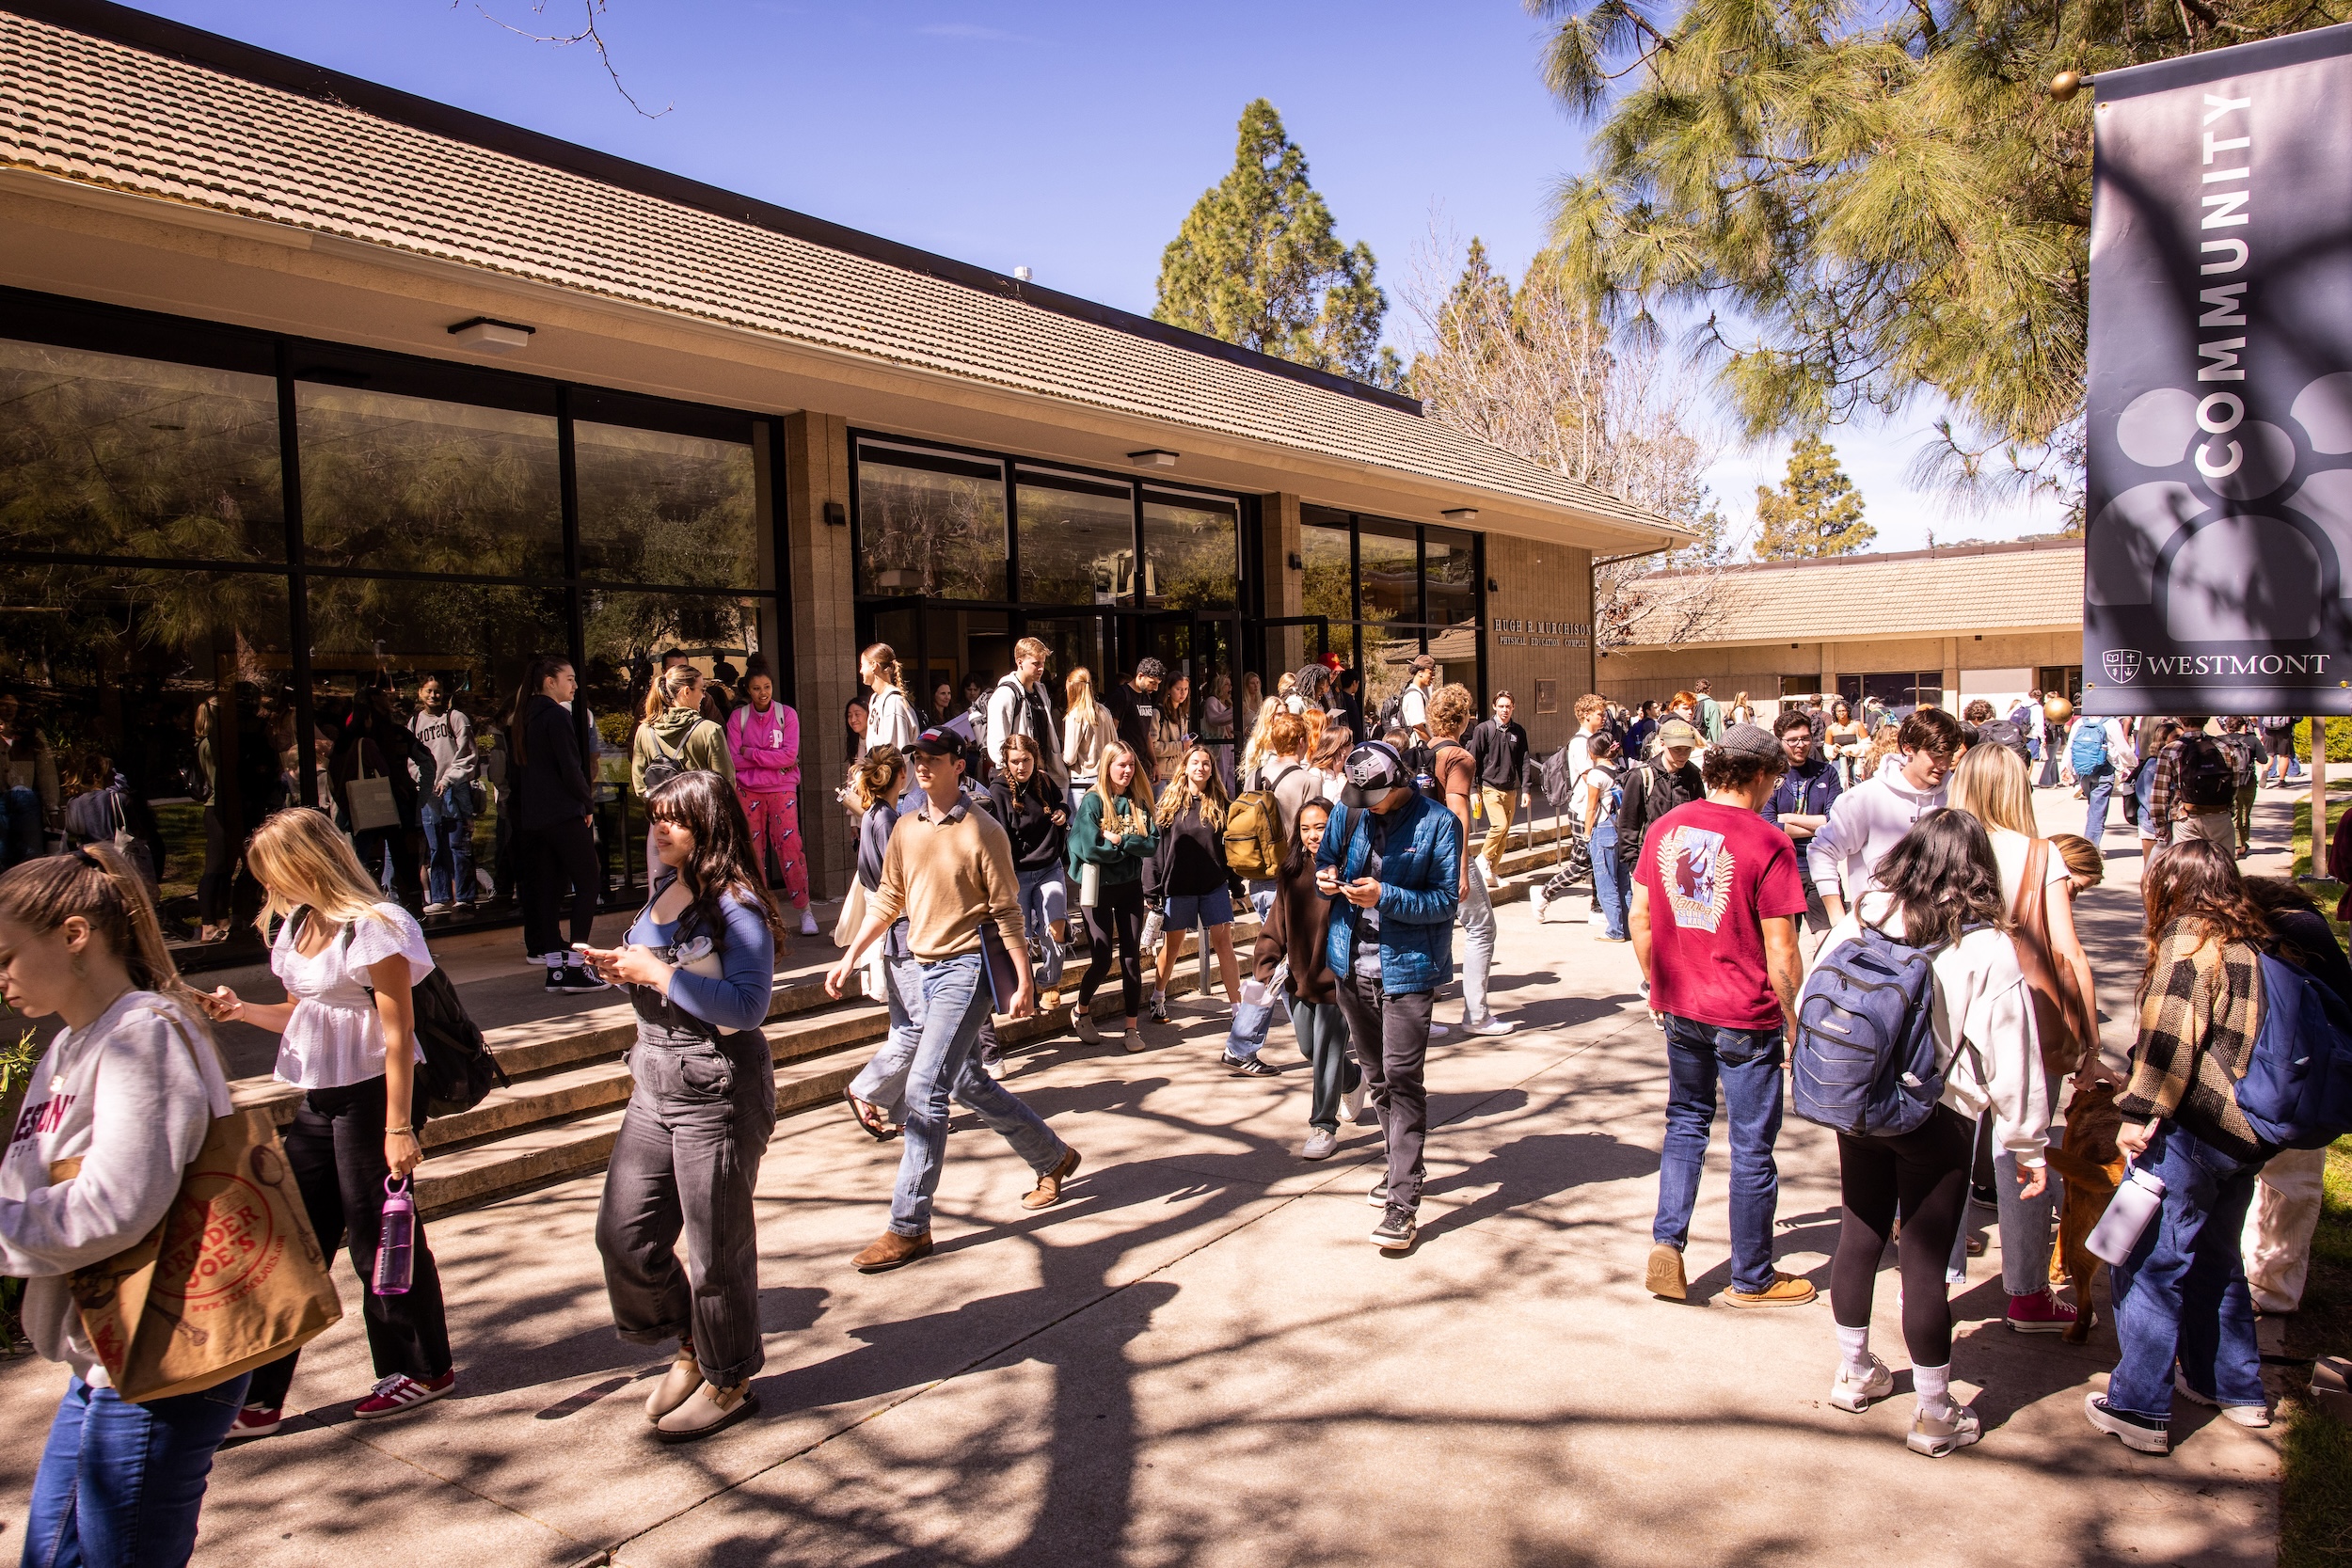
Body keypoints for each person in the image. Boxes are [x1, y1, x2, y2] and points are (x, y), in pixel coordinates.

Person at [0, 846, 246, 1564]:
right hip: (104, 1359)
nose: (2, 974)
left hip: (161, 1361)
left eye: (9, 953)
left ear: (75, 934)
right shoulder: (70, 1044)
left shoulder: (143, 1033)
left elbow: (116, 1205)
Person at [201, 809, 456, 1437]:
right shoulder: (297, 925)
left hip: (374, 1094)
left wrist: (400, 1127)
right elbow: (300, 1012)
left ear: (305, 860)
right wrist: (239, 1012)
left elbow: (398, 1034)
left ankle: (421, 1368)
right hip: (320, 1095)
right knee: (291, 1240)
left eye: (273, 870)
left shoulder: (374, 926)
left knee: (380, 1235)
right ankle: (259, 1395)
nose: (270, 885)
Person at [1815, 810, 2050, 1458]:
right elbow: (2015, 1056)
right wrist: (2028, 1145)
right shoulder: (1986, 945)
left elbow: (1819, 987)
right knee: (1923, 1262)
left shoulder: (1863, 914)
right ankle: (1935, 1410)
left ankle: (1854, 1370)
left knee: (1858, 1232)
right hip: (1937, 1113)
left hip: (1860, 1099)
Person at [827, 727, 1082, 1272]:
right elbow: (890, 898)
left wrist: (1024, 978)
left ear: (957, 766)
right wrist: (851, 956)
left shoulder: (983, 829)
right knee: (966, 1079)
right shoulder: (904, 827)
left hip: (967, 968)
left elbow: (1008, 910)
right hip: (920, 967)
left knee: (924, 1088)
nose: (921, 766)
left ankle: (909, 1226)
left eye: (933, 759)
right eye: (917, 758)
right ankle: (1053, 1157)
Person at [579, 771, 782, 1441]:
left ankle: (729, 1379)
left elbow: (749, 1007)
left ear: (709, 823)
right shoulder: (666, 883)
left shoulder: (737, 904)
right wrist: (621, 965)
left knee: (716, 1250)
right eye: (655, 817)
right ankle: (693, 1341)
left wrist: (659, 974)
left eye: (675, 819)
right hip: (655, 1080)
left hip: (717, 1087)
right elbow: (656, 966)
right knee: (624, 1234)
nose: (659, 829)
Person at [2088, 840, 2273, 1454]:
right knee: (2219, 1262)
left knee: (2149, 1265)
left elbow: (2171, 1040)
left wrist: (2138, 1113)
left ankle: (2139, 1407)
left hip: (2190, 1130)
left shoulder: (2189, 939)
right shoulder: (2252, 938)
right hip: (2244, 1134)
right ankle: (2234, 1386)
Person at [1633, 723, 1815, 1308]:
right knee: (1751, 1146)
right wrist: (1794, 1020)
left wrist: (1656, 981)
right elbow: (1782, 947)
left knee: (1685, 1123)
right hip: (1745, 1010)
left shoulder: (1666, 827)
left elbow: (1639, 917)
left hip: (1681, 1005)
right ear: (1760, 776)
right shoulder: (1768, 841)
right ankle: (1752, 1275)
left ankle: (1668, 1241)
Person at [1947, 742, 2096, 1333]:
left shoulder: (1939, 845)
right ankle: (2027, 1292)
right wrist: (2089, 1037)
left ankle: (1932, 1280)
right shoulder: (2039, 856)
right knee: (2022, 1148)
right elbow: (2067, 950)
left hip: (1950, 1012)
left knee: (1947, 1147)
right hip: (2027, 1016)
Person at [1317, 740, 1461, 1252]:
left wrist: (1385, 895)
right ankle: (1404, 1163)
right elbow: (1325, 858)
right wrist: (1328, 878)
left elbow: (1446, 900)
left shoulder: (1439, 824)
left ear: (1397, 784)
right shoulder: (1348, 811)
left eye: (1373, 797)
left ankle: (1402, 1201)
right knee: (1377, 1078)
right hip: (1351, 962)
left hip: (1409, 970)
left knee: (1402, 1078)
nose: (1364, 805)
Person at [2238, 877, 2347, 1318]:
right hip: (2287, 1068)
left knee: (2286, 1178)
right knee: (2284, 1182)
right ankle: (2267, 1283)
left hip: (2294, 1071)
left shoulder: (2296, 930)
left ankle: (2269, 1285)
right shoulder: (2301, 926)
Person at [1250, 799, 1359, 1157]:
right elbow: (1277, 921)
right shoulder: (1293, 871)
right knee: (1310, 1048)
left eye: (1322, 826)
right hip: (1300, 978)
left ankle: (1323, 1126)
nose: (1314, 835)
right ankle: (1353, 1079)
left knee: (1327, 1046)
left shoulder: (1351, 869)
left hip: (1339, 977)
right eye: (1306, 828)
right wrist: (1266, 960)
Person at [508, 657, 607, 994]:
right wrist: (587, 804)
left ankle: (556, 967)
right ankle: (578, 965)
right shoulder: (555, 716)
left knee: (548, 890)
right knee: (589, 882)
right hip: (562, 814)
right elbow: (570, 768)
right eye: (569, 679)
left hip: (535, 818)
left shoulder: (525, 717)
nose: (574, 686)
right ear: (550, 682)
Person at [1810, 706, 1963, 924]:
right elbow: (1822, 851)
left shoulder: (1959, 795)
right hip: (1879, 933)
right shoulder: (1865, 797)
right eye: (1936, 755)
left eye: (1949, 756)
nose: (1943, 765)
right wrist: (1838, 919)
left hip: (1944, 928)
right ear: (1908, 748)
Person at [1066, 741, 1158, 1053]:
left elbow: (1152, 845)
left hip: (1130, 886)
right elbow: (1089, 848)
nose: (1128, 771)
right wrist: (1128, 845)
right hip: (1097, 886)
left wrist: (1118, 839)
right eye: (1122, 765)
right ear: (1107, 767)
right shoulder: (1093, 802)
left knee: (1132, 958)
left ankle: (1131, 1028)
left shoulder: (1139, 801)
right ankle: (1081, 1010)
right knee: (1102, 958)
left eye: (1132, 765)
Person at [841, 746, 914, 1140]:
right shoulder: (887, 819)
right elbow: (895, 882)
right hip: (900, 928)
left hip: (889, 929)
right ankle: (866, 1088)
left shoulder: (873, 815)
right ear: (899, 776)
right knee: (919, 1027)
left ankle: (906, 1112)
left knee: (904, 1027)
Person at [1428, 684, 1509, 1036]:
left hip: (1421, 852)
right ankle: (1476, 1014)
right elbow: (1457, 812)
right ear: (1462, 718)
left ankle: (1419, 1017)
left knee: (1430, 930)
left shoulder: (1424, 750)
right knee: (1481, 927)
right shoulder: (1459, 757)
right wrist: (1462, 867)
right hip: (1447, 854)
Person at [1149, 743, 1242, 1027]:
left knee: (1224, 943)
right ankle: (1158, 996)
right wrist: (1152, 890)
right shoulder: (1169, 803)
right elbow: (1157, 849)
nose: (1200, 768)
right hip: (1179, 884)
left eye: (1206, 764)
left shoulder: (1222, 804)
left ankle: (1238, 1008)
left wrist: (1236, 885)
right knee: (1173, 946)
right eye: (1195, 763)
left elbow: (1232, 849)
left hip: (1213, 884)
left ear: (1212, 770)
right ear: (1185, 767)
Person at [727, 670, 818, 937]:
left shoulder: (787, 715)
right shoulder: (738, 717)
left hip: (782, 789)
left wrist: (751, 753)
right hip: (747, 791)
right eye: (756, 688)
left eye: (767, 687)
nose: (763, 693)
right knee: (752, 851)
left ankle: (805, 910)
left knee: (791, 847)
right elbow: (733, 759)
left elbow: (789, 756)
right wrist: (770, 759)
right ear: (748, 690)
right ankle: (760, 913)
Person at [334, 682, 433, 912]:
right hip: (390, 804)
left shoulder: (348, 740)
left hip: (368, 805)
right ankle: (406, 909)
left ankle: (371, 907)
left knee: (369, 861)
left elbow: (426, 762)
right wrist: (420, 797)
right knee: (395, 860)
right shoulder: (371, 738)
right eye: (382, 702)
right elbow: (427, 763)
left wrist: (420, 797)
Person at [989, 735, 1070, 1006]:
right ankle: (1021, 987)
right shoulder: (999, 790)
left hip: (1049, 867)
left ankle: (1050, 981)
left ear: (1035, 760)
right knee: (1019, 933)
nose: (1021, 767)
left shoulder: (1044, 781)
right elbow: (998, 836)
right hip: (1017, 872)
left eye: (1026, 760)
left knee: (1056, 922)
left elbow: (1061, 803)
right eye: (1015, 761)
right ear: (1006, 762)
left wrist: (1062, 813)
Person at [1761, 710, 1842, 945]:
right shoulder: (1770, 774)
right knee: (1785, 946)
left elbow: (1836, 821)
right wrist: (1819, 824)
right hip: (1782, 869)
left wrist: (1786, 817)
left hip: (1820, 866)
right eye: (1793, 740)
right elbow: (1769, 826)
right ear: (1779, 741)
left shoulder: (1826, 772)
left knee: (1830, 942)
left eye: (1805, 738)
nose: (1801, 745)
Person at [409, 676, 479, 917]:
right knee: (436, 847)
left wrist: (448, 779)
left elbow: (467, 755)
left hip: (454, 789)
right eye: (428, 691)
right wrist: (424, 782)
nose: (433, 696)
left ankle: (465, 897)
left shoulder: (456, 718)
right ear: (420, 693)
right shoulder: (414, 723)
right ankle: (440, 897)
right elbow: (410, 759)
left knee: (458, 844)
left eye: (437, 691)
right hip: (429, 793)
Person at [1614, 717, 1705, 880]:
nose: (1683, 755)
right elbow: (1628, 826)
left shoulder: (1694, 776)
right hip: (1649, 864)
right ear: (1662, 744)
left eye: (1687, 749)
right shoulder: (1640, 777)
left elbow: (1700, 821)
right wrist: (1635, 867)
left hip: (1685, 865)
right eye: (1677, 749)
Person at [1561, 731, 1629, 939]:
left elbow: (1591, 808)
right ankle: (1627, 925)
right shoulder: (1619, 769)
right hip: (1620, 829)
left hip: (1603, 829)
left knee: (1605, 880)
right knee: (1623, 881)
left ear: (1592, 751)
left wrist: (1587, 833)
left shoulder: (1595, 775)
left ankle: (1615, 930)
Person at [634, 665, 736, 797]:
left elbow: (640, 786)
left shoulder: (645, 730)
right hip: (700, 813)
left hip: (660, 813)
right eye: (702, 689)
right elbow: (725, 784)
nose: (704, 696)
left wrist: (661, 809)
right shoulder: (709, 730)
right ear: (687, 691)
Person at [2144, 717, 2235, 859]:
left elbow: (2159, 794)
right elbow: (2234, 785)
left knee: (2188, 869)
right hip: (2220, 814)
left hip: (2186, 817)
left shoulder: (2171, 750)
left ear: (2181, 720)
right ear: (2207, 719)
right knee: (2224, 866)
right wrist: (2228, 809)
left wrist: (2161, 827)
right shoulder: (2225, 747)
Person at [987, 638, 1070, 796]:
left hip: (1040, 773)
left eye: (1043, 663)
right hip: (1017, 778)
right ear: (1019, 662)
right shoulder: (1006, 694)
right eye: (1035, 663)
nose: (1041, 669)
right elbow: (997, 743)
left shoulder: (1041, 691)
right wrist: (1012, 772)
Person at [1467, 691, 1531, 891]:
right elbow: (1473, 758)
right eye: (1501, 706)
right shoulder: (1484, 729)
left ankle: (1492, 873)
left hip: (1510, 788)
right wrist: (1472, 789)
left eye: (1508, 706)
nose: (1505, 710)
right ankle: (1483, 859)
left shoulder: (1518, 731)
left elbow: (1524, 761)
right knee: (1499, 825)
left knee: (1504, 835)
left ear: (1513, 707)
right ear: (1494, 706)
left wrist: (1527, 789)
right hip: (1489, 786)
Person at [2073, 706, 2136, 842]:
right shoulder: (2111, 723)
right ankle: (2091, 847)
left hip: (2084, 771)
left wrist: (2067, 768)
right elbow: (2123, 749)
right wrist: (2134, 763)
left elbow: (2070, 747)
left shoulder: (2080, 722)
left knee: (2093, 807)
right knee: (2098, 811)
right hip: (2104, 771)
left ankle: (2090, 842)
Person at [1061, 666, 1118, 818]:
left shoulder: (1075, 715)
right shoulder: (1105, 711)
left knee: (1080, 832)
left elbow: (1069, 757)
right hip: (1104, 779)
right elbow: (1116, 744)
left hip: (1081, 781)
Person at [1104, 657, 1167, 788]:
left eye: (1158, 683)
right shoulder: (1121, 695)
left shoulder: (1146, 697)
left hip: (1143, 766)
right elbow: (1111, 733)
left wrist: (1154, 763)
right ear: (1140, 676)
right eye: (1152, 682)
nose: (1155, 688)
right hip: (1124, 766)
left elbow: (1146, 733)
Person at [2215, 716, 2264, 859]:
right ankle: (2241, 844)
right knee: (2245, 812)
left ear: (2227, 727)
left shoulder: (2219, 740)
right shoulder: (2251, 740)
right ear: (2243, 726)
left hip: (2228, 781)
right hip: (2247, 781)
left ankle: (2236, 845)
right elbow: (2264, 759)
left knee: (2233, 812)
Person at [860, 643, 920, 757]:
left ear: (874, 666)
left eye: (862, 665)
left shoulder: (894, 703)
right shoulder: (875, 699)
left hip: (894, 773)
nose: (861, 671)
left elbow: (896, 754)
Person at [1150, 673, 1193, 789]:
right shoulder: (1157, 713)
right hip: (1161, 774)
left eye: (1186, 689)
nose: (1183, 693)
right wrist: (1180, 746)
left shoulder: (1183, 713)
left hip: (1179, 772)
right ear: (1168, 690)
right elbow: (1152, 747)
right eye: (1178, 689)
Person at [1825, 699, 1867, 788]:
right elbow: (1827, 750)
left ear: (1848, 711)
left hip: (1855, 763)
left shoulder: (1857, 725)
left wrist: (1851, 749)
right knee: (1839, 786)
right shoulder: (1831, 729)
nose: (1841, 713)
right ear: (1835, 713)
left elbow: (1868, 745)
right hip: (1838, 762)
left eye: (1843, 711)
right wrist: (1834, 749)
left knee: (1857, 786)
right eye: (1839, 711)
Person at [1396, 655, 1437, 742]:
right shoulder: (1414, 695)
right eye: (1430, 673)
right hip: (1418, 747)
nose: (1433, 677)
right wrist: (1432, 745)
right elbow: (1418, 727)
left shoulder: (1418, 693)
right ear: (1420, 673)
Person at [1624, 700, 1660, 764]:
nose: (1658, 709)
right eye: (1655, 708)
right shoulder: (1653, 724)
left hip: (1637, 758)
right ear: (1648, 711)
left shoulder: (1637, 724)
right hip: (1651, 758)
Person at [1691, 679, 1725, 743]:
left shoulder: (1689, 703)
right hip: (1705, 743)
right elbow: (1715, 728)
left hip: (1690, 742)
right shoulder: (1713, 705)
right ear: (1709, 690)